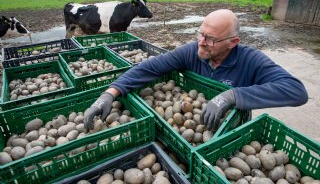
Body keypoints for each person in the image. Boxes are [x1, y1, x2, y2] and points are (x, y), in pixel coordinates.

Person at [84, 9, 308, 131]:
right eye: (200, 34)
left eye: (210, 39)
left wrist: (233, 95)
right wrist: (110, 92)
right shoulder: (192, 51)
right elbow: (150, 67)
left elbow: (296, 91)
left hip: (228, 129)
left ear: (233, 42)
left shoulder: (251, 60)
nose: (201, 42)